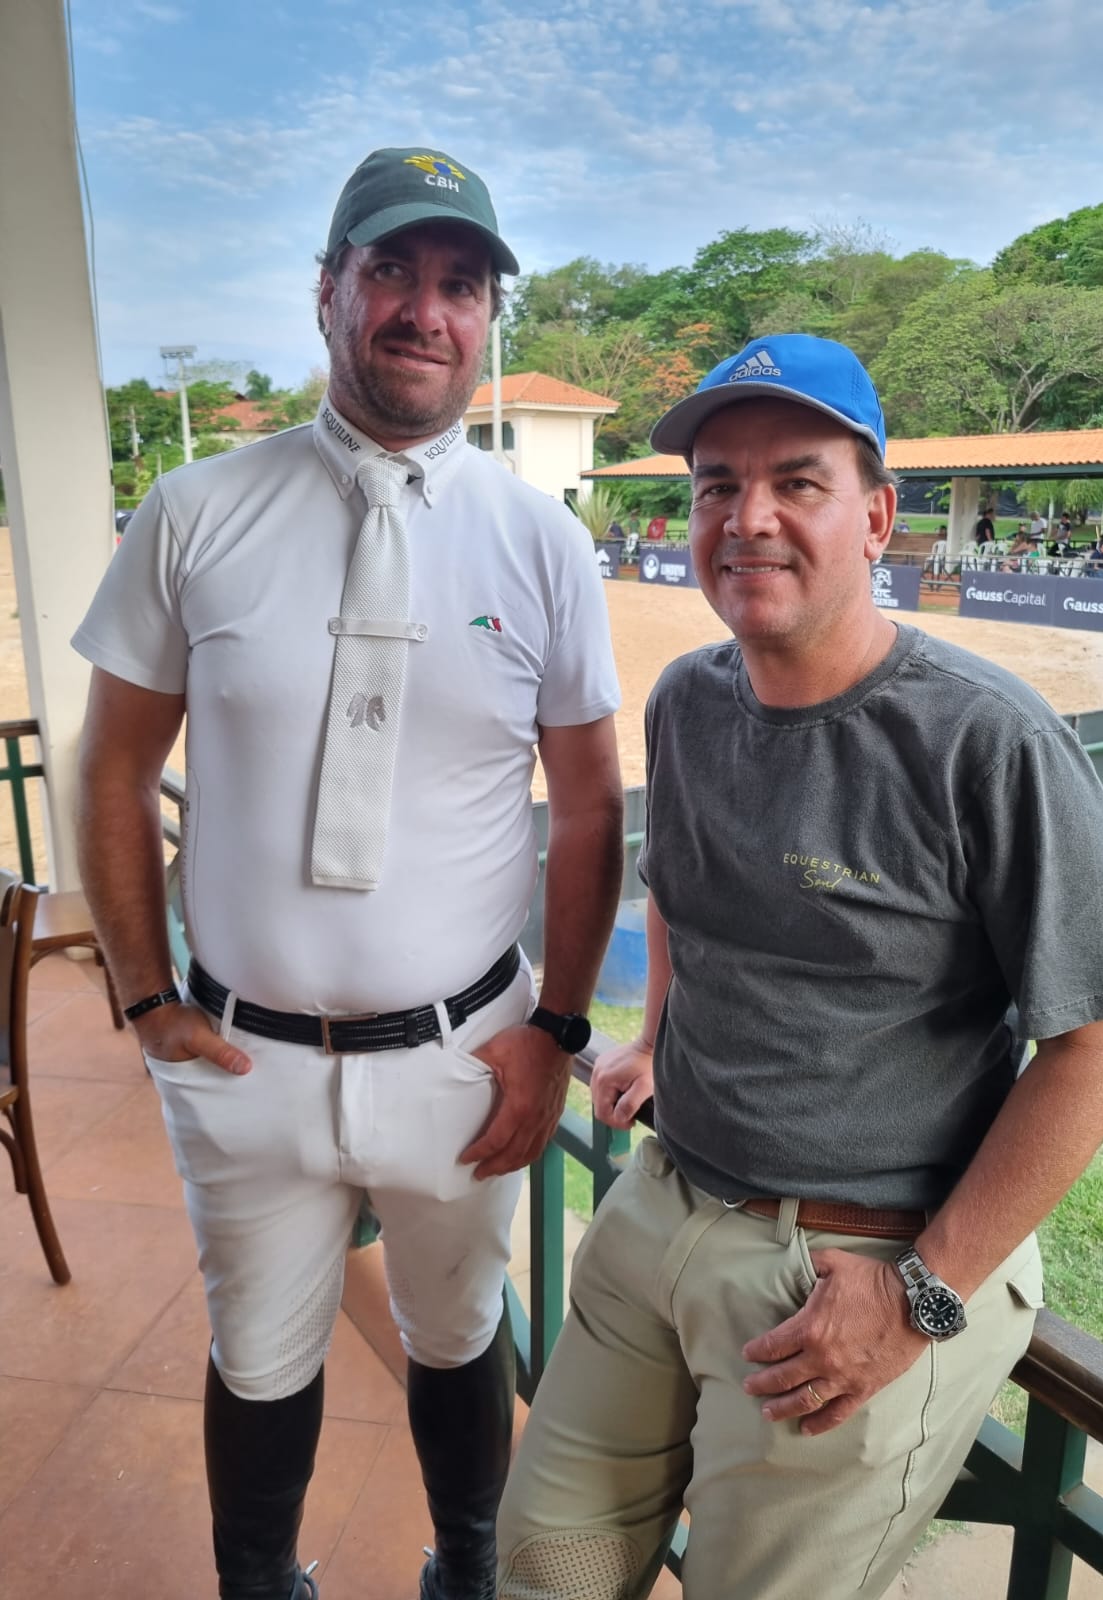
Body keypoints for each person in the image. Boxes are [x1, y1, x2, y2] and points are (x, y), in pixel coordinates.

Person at [494, 333, 1103, 1600]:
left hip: (844, 1279)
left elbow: (1102, 1041)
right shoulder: (688, 701)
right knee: (544, 1573)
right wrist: (653, 1037)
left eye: (796, 481)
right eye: (714, 486)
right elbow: (684, 889)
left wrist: (925, 1294)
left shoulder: (986, 741)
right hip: (660, 1213)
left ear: (877, 517)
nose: (747, 518)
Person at [72, 146, 625, 1600]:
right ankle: (260, 1586)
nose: (425, 311)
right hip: (245, 1064)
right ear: (329, 292)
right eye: (392, 272)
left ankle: (468, 1567)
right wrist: (143, 1000)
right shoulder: (194, 511)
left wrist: (558, 1033)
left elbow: (584, 807)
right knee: (256, 1350)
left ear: (488, 318)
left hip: (463, 1061)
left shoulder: (544, 541)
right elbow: (115, 770)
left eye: (460, 285)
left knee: (459, 1331)